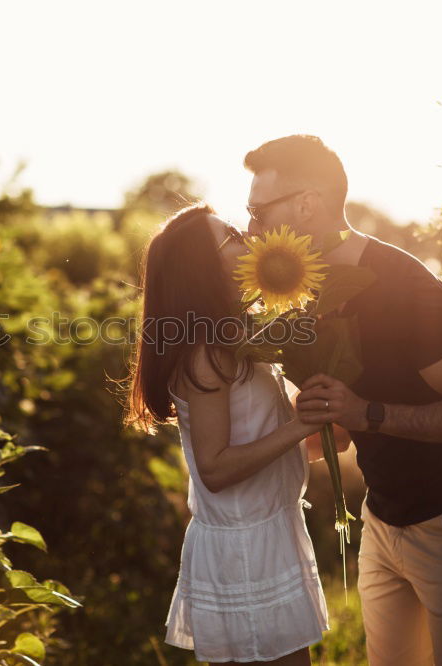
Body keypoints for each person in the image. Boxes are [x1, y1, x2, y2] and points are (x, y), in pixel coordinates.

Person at [243, 134, 442, 665]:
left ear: (307, 205)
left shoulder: (405, 286)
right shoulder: (309, 292)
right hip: (381, 521)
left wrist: (365, 413)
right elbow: (341, 433)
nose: (251, 227)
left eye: (258, 211)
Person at [124, 202, 342, 665]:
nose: (245, 236)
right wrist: (301, 425)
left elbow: (263, 440)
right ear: (202, 266)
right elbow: (217, 468)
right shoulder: (207, 354)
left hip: (270, 532)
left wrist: (321, 431)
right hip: (244, 549)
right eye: (230, 235)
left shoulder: (238, 341)